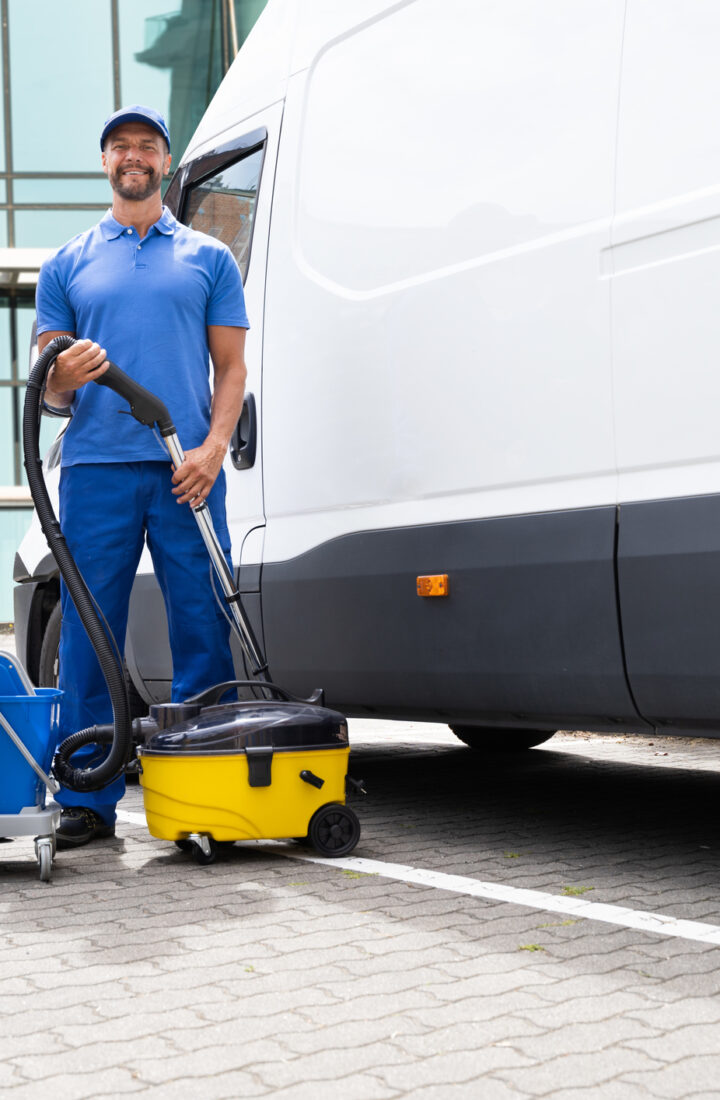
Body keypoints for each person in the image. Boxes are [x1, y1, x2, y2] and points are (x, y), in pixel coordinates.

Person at [35, 104, 249, 847]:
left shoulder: (208, 258)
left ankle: (204, 797)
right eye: (120, 146)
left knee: (202, 624)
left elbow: (232, 369)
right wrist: (63, 375)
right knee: (90, 633)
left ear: (165, 160)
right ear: (105, 162)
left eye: (148, 146)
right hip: (96, 470)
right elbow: (50, 388)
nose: (134, 156)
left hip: (187, 471)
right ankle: (86, 798)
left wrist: (213, 448)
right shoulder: (66, 264)